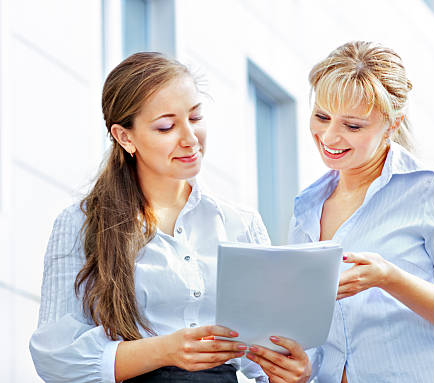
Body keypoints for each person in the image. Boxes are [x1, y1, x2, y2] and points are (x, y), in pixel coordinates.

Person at [29, 52, 311, 383]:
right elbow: (55, 357)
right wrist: (166, 350)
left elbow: (265, 359)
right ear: (125, 137)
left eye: (195, 118)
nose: (190, 139)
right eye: (167, 126)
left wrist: (294, 373)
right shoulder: (82, 224)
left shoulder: (241, 224)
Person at [287, 41, 434, 382]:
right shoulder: (306, 209)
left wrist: (389, 278)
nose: (328, 135)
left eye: (352, 126)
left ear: (392, 124)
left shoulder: (431, 190)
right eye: (321, 116)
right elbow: (309, 340)